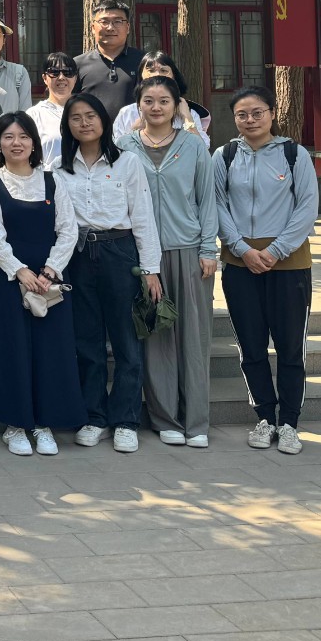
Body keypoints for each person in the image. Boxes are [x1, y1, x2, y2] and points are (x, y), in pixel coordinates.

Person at [213, 84, 318, 456]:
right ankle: (264, 417)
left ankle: (289, 422)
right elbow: (217, 206)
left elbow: (307, 207)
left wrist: (275, 251)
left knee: (290, 347)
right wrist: (242, 249)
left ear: (272, 114)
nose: (250, 120)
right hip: (239, 265)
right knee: (251, 345)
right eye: (242, 114)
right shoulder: (224, 155)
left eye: (257, 112)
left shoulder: (294, 154)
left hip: (289, 265)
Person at [117, 75, 219, 448]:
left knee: (193, 336)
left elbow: (207, 200)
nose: (156, 107)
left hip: (187, 249)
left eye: (164, 100)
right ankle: (166, 419)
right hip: (143, 254)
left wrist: (208, 249)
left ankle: (197, 421)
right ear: (138, 105)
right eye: (149, 100)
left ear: (177, 105)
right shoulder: (124, 146)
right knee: (156, 336)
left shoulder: (193, 145)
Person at [0, 111, 84, 457]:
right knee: (13, 350)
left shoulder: (52, 181)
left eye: (23, 136)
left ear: (34, 143)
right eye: (8, 137)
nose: (17, 143)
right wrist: (19, 271)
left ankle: (44, 423)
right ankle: (15, 424)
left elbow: (68, 230)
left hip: (50, 280)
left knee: (51, 351)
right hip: (10, 278)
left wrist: (50, 271)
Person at [59, 91, 162, 453]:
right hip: (77, 255)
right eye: (76, 118)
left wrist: (150, 269)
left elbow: (143, 216)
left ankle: (126, 420)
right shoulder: (59, 168)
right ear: (67, 125)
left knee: (126, 341)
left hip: (120, 252)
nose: (84, 123)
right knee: (87, 341)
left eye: (91, 116)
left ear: (103, 120)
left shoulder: (127, 163)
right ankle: (95, 416)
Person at [113, 51, 211, 140]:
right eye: (151, 70)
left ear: (174, 76)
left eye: (163, 70)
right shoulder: (127, 113)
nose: (157, 74)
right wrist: (136, 128)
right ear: (141, 75)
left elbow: (201, 150)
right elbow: (118, 150)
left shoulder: (189, 112)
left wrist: (187, 118)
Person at [75, 0, 145, 118]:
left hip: (135, 129)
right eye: (104, 22)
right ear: (93, 28)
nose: (110, 28)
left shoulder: (144, 62)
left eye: (117, 21)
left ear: (127, 27)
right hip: (91, 129)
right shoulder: (78, 64)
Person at [29, 52, 79, 167]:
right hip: (48, 177)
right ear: (44, 78)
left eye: (67, 72)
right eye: (54, 72)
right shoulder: (34, 115)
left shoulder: (87, 111)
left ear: (75, 78)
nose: (61, 77)